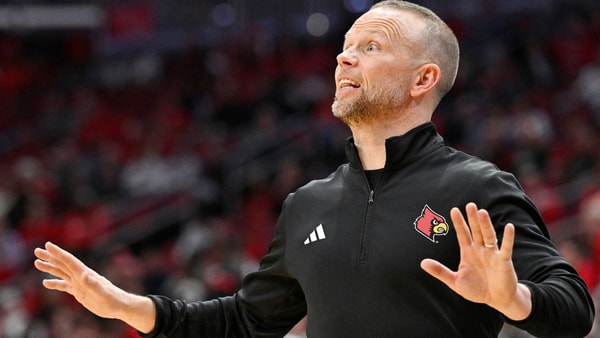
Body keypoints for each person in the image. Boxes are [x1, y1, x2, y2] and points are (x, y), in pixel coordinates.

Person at [33, 1, 595, 337]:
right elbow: (247, 322)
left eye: (371, 46)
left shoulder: (476, 188)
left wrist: (514, 299)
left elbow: (572, 307)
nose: (343, 57)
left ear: (424, 79)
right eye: (346, 46)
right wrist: (129, 306)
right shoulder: (308, 204)